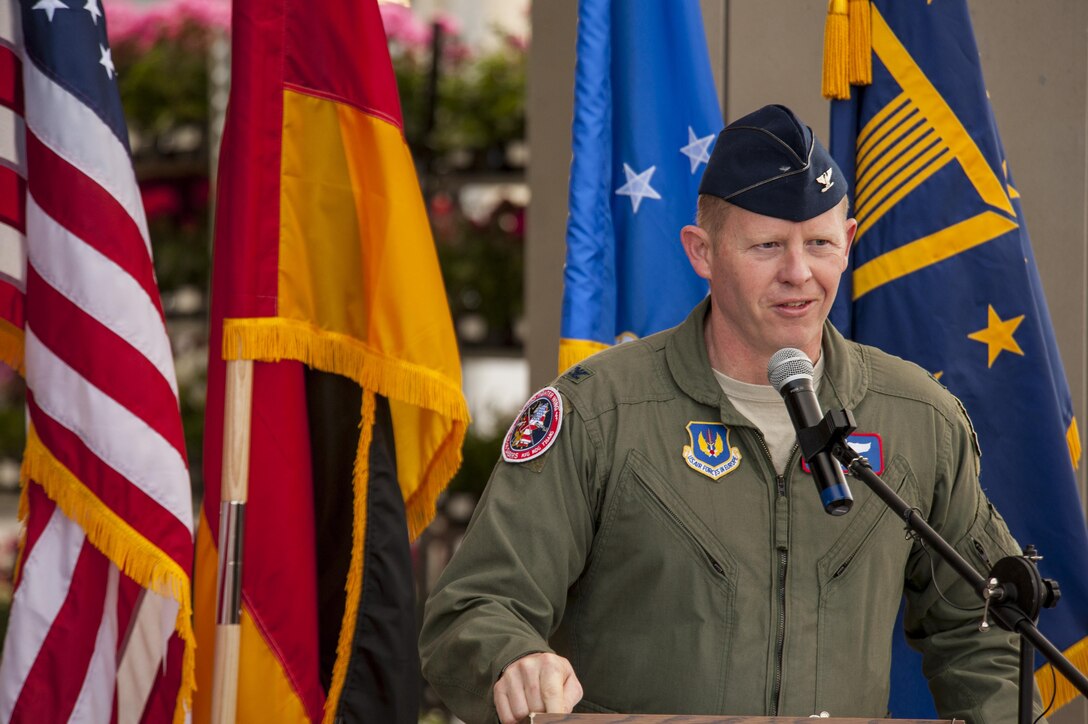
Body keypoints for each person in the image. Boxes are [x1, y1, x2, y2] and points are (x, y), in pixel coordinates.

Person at [419, 104, 1037, 724]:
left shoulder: (917, 418)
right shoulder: (598, 411)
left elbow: (985, 632)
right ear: (702, 252)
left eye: (819, 243)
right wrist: (514, 658)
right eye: (767, 245)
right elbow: (474, 607)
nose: (799, 274)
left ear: (848, 244)